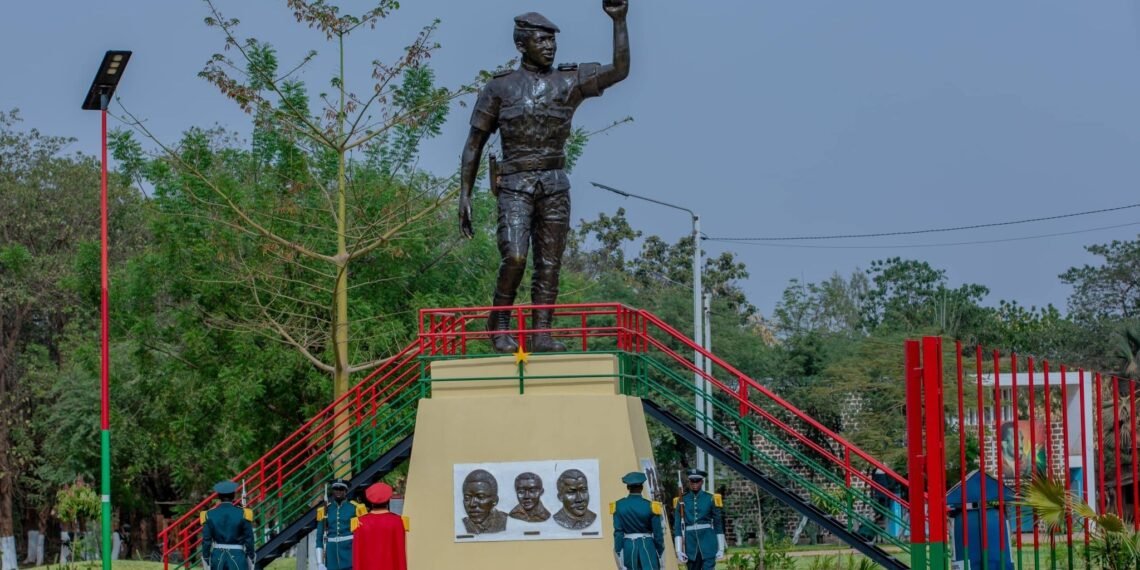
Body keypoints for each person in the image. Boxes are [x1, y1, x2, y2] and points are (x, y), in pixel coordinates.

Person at [457, 1, 631, 353]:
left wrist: (619, 21)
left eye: (553, 41)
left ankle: (542, 331)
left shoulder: (569, 80)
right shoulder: (499, 88)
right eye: (542, 40)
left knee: (550, 261)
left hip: (554, 183)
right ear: (522, 44)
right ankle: (499, 322)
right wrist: (465, 194)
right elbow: (474, 144)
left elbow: (620, 70)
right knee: (516, 256)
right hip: (515, 185)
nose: (550, 46)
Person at [672, 469, 725, 569]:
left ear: (702, 482)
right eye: (692, 481)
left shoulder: (711, 498)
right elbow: (678, 527)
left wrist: (721, 548)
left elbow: (718, 524)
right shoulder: (681, 500)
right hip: (690, 544)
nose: (694, 483)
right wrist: (678, 550)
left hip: (708, 542)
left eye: (697, 481)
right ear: (689, 482)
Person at [611, 472, 664, 570]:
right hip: (648, 547)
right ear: (641, 487)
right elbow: (658, 534)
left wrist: (618, 553)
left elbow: (618, 533)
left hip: (628, 547)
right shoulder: (651, 506)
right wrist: (660, 551)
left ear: (628, 487)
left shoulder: (618, 505)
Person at [351, 483, 408, 570]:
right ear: (388, 500)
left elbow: (358, 557)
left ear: (370, 501)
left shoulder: (359, 522)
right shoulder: (399, 521)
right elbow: (400, 556)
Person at [200, 480, 255, 570]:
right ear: (233, 495)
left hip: (217, 558)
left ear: (218, 496)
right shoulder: (244, 513)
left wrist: (206, 559)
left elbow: (206, 541)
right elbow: (249, 539)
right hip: (238, 558)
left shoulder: (208, 514)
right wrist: (251, 557)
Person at [316, 479, 366, 570]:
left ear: (346, 491)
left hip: (349, 552)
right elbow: (319, 536)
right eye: (335, 489)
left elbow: (364, 535)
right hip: (331, 554)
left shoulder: (355, 508)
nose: (338, 491)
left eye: (341, 489)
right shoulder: (325, 509)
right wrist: (319, 562)